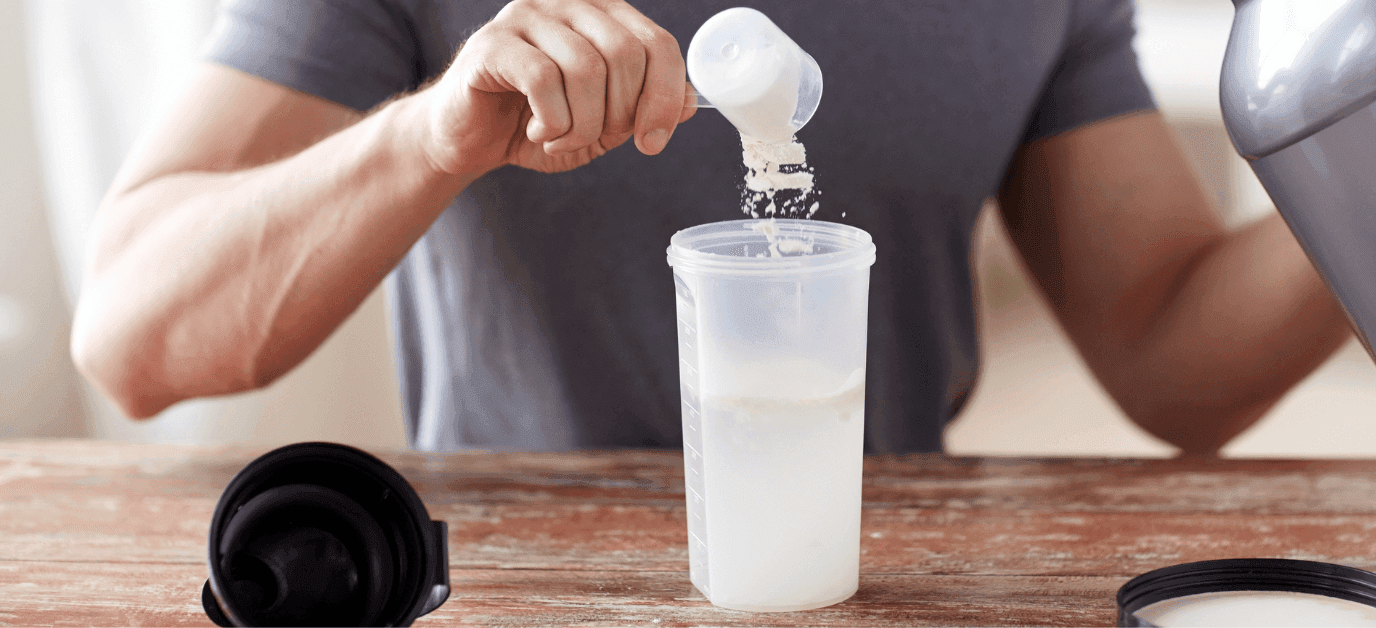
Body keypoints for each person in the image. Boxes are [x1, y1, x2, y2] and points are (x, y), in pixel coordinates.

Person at [69, 0, 1351, 455]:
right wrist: (430, 135)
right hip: (523, 592)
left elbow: (1166, 342)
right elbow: (136, 333)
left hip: (881, 582)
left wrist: (1356, 153)